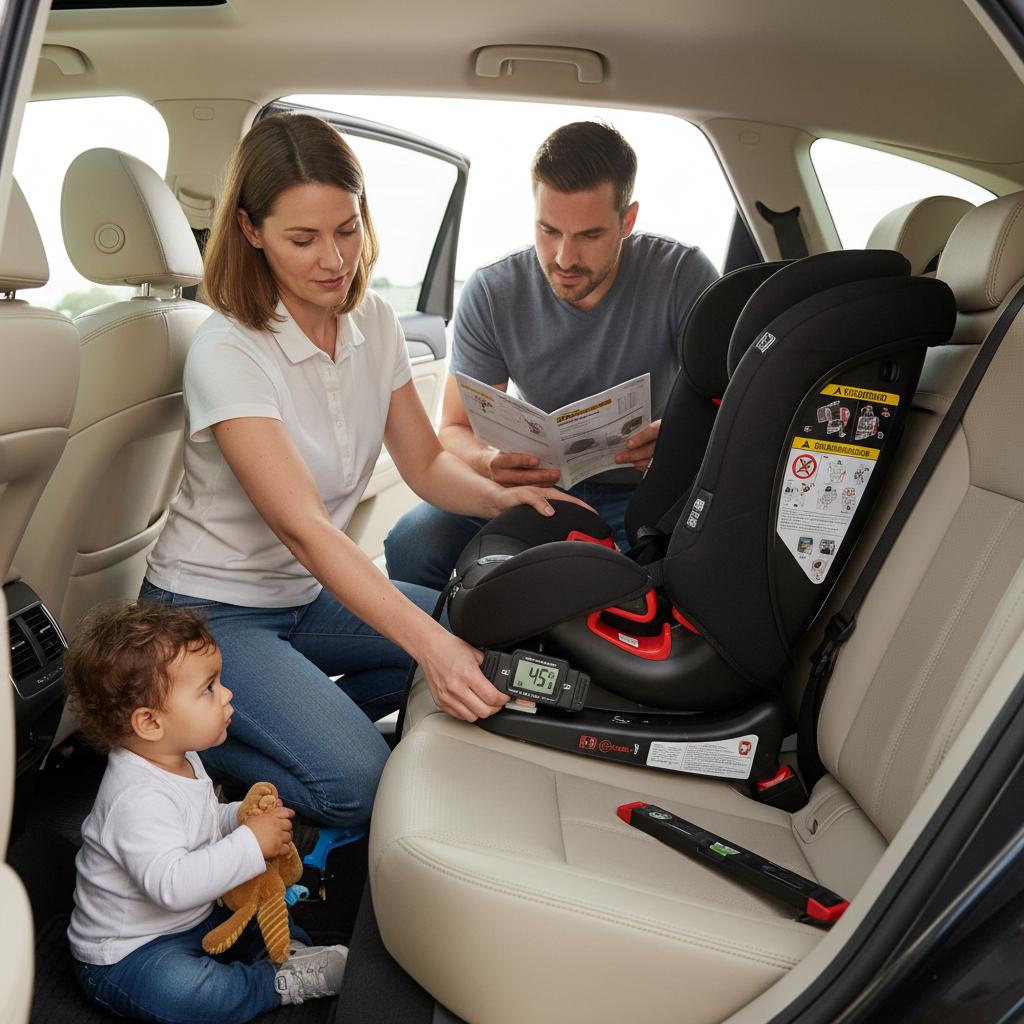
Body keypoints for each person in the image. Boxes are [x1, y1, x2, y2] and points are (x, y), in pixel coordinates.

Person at [142, 112, 578, 827]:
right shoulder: (229, 350)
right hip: (209, 612)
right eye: (303, 239)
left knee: (484, 642)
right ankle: (185, 748)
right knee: (360, 784)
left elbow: (426, 463)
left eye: (346, 230)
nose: (334, 259)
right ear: (251, 230)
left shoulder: (373, 320)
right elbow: (306, 528)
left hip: (303, 598)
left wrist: (503, 500)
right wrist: (432, 649)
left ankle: (303, 725)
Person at [384, 121, 720, 590]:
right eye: (548, 230)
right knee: (412, 543)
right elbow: (454, 429)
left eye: (589, 235)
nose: (564, 258)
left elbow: (731, 406)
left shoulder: (683, 275)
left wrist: (680, 440)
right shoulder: (493, 291)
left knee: (681, 572)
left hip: (648, 489)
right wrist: (489, 461)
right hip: (533, 488)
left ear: (627, 222)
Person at [65, 601, 348, 1023]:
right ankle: (271, 983)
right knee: (184, 993)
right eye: (209, 688)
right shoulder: (136, 799)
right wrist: (250, 842)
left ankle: (286, 949)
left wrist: (237, 818)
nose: (227, 694)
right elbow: (173, 885)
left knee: (260, 906)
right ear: (150, 723)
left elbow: (200, 821)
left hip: (196, 916)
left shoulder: (181, 756)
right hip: (128, 953)